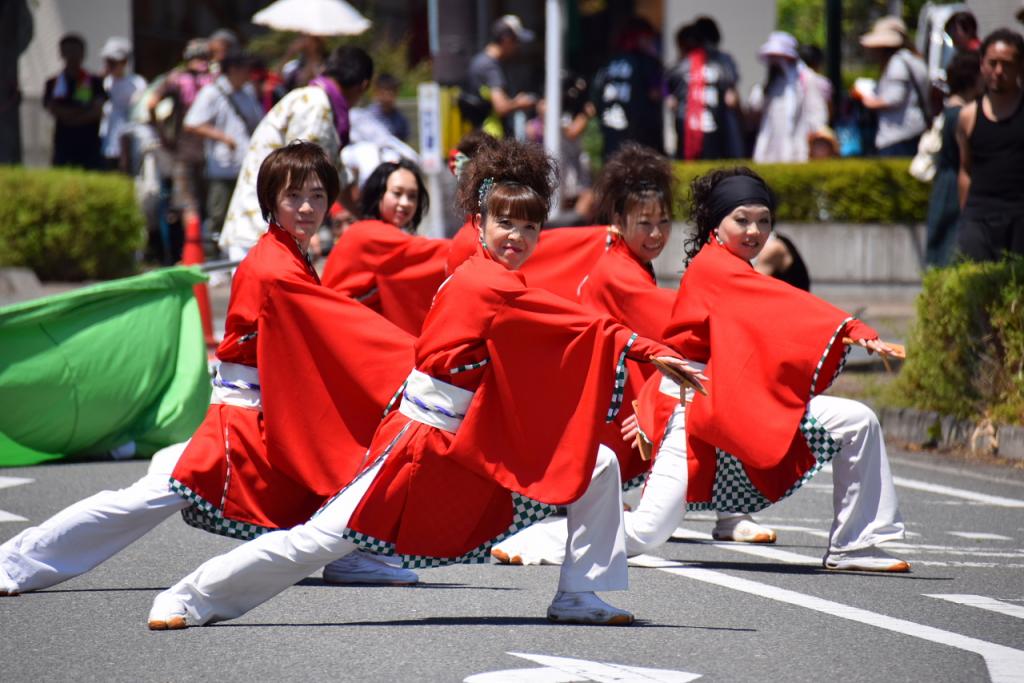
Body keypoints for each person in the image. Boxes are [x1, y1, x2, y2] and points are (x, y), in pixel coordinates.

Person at [145, 139, 704, 630]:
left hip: (469, 438)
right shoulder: (487, 281)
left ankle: (580, 592)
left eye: (530, 227)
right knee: (318, 540)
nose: (518, 237)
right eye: (506, 224)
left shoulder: (497, 277)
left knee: (597, 467)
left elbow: (556, 329)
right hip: (420, 443)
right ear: (480, 224)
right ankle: (191, 595)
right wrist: (648, 348)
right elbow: (577, 323)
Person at [0, 142, 415, 598]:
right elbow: (343, 329)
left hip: (256, 415)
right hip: (239, 423)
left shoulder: (286, 254)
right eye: (294, 195)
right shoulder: (276, 266)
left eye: (318, 196)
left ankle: (357, 555)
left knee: (339, 472)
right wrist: (421, 360)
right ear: (270, 200)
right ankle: (17, 560)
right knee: (144, 500)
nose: (307, 207)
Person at [631, 167, 909, 573]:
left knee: (858, 421)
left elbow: (773, 315)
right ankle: (542, 539)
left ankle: (855, 543)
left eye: (763, 221)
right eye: (741, 220)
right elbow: (782, 304)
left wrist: (848, 329)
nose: (754, 231)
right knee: (644, 533)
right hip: (688, 411)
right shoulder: (714, 267)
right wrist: (849, 327)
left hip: (727, 405)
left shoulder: (731, 267)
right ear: (716, 223)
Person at [217, 46, 373, 261]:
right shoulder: (316, 104)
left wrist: (368, 220)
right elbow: (301, 167)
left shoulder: (313, 99)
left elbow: (336, 177)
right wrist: (308, 225)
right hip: (263, 229)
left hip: (270, 226)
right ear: (363, 86)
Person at [321, 159, 448, 335]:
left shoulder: (371, 230)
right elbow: (437, 254)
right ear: (378, 194)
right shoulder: (369, 234)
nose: (405, 202)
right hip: (345, 334)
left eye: (412, 196)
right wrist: (478, 242)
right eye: (397, 193)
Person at [955, 29, 1024, 262]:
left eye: (1007, 64)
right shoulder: (968, 116)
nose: (999, 71)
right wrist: (966, 214)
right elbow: (965, 169)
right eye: (992, 63)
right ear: (982, 64)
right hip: (979, 217)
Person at [182, 52, 263, 245]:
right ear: (233, 69)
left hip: (247, 166)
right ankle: (213, 258)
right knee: (218, 215)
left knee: (246, 214)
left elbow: (259, 121)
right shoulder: (212, 92)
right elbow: (192, 123)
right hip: (222, 166)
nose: (249, 74)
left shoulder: (248, 93)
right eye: (245, 69)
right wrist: (223, 137)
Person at [147, 39, 215, 230]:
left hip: (183, 149)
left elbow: (151, 104)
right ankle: (212, 251)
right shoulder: (216, 78)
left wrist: (162, 134)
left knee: (188, 203)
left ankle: (193, 250)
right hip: (213, 150)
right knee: (210, 204)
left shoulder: (176, 78)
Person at [925, 52, 981, 267]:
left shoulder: (949, 108)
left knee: (941, 242)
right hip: (956, 182)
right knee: (951, 245)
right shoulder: (962, 113)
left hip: (944, 181)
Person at [667, 19, 743, 160]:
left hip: (691, 129)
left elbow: (670, 97)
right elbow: (731, 99)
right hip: (718, 131)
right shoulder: (723, 62)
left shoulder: (681, 66)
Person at [748, 32, 828, 163]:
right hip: (770, 142)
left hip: (797, 142)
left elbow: (817, 113)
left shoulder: (806, 79)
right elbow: (756, 108)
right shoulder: (770, 83)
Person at [857, 16, 931, 156]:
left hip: (899, 135)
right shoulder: (915, 60)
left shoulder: (897, 62)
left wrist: (869, 101)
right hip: (914, 130)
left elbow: (895, 98)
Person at [592, 16, 664, 159]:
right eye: (648, 38)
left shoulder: (608, 63)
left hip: (611, 136)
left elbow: (595, 95)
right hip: (640, 136)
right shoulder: (648, 63)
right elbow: (655, 93)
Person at [463, 14, 537, 138]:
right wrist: (520, 103)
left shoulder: (480, 61)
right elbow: (501, 107)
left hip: (481, 134)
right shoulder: (490, 67)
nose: (518, 47)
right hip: (491, 134)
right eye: (516, 41)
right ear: (506, 39)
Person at [44, 33, 105, 169]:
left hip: (89, 146)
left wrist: (70, 115)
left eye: (76, 51)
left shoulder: (94, 82)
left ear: (83, 53)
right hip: (63, 145)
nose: (72, 56)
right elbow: (54, 109)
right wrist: (82, 110)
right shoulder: (53, 83)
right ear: (61, 53)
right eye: (68, 51)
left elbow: (96, 111)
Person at [98, 36, 146, 172]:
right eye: (107, 61)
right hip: (106, 132)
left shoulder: (137, 82)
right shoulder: (103, 82)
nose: (109, 65)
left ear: (124, 62)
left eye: (113, 62)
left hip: (129, 133)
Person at [367, 73, 410, 142]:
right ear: (376, 92)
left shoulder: (401, 120)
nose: (387, 98)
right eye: (384, 93)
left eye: (391, 93)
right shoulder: (367, 117)